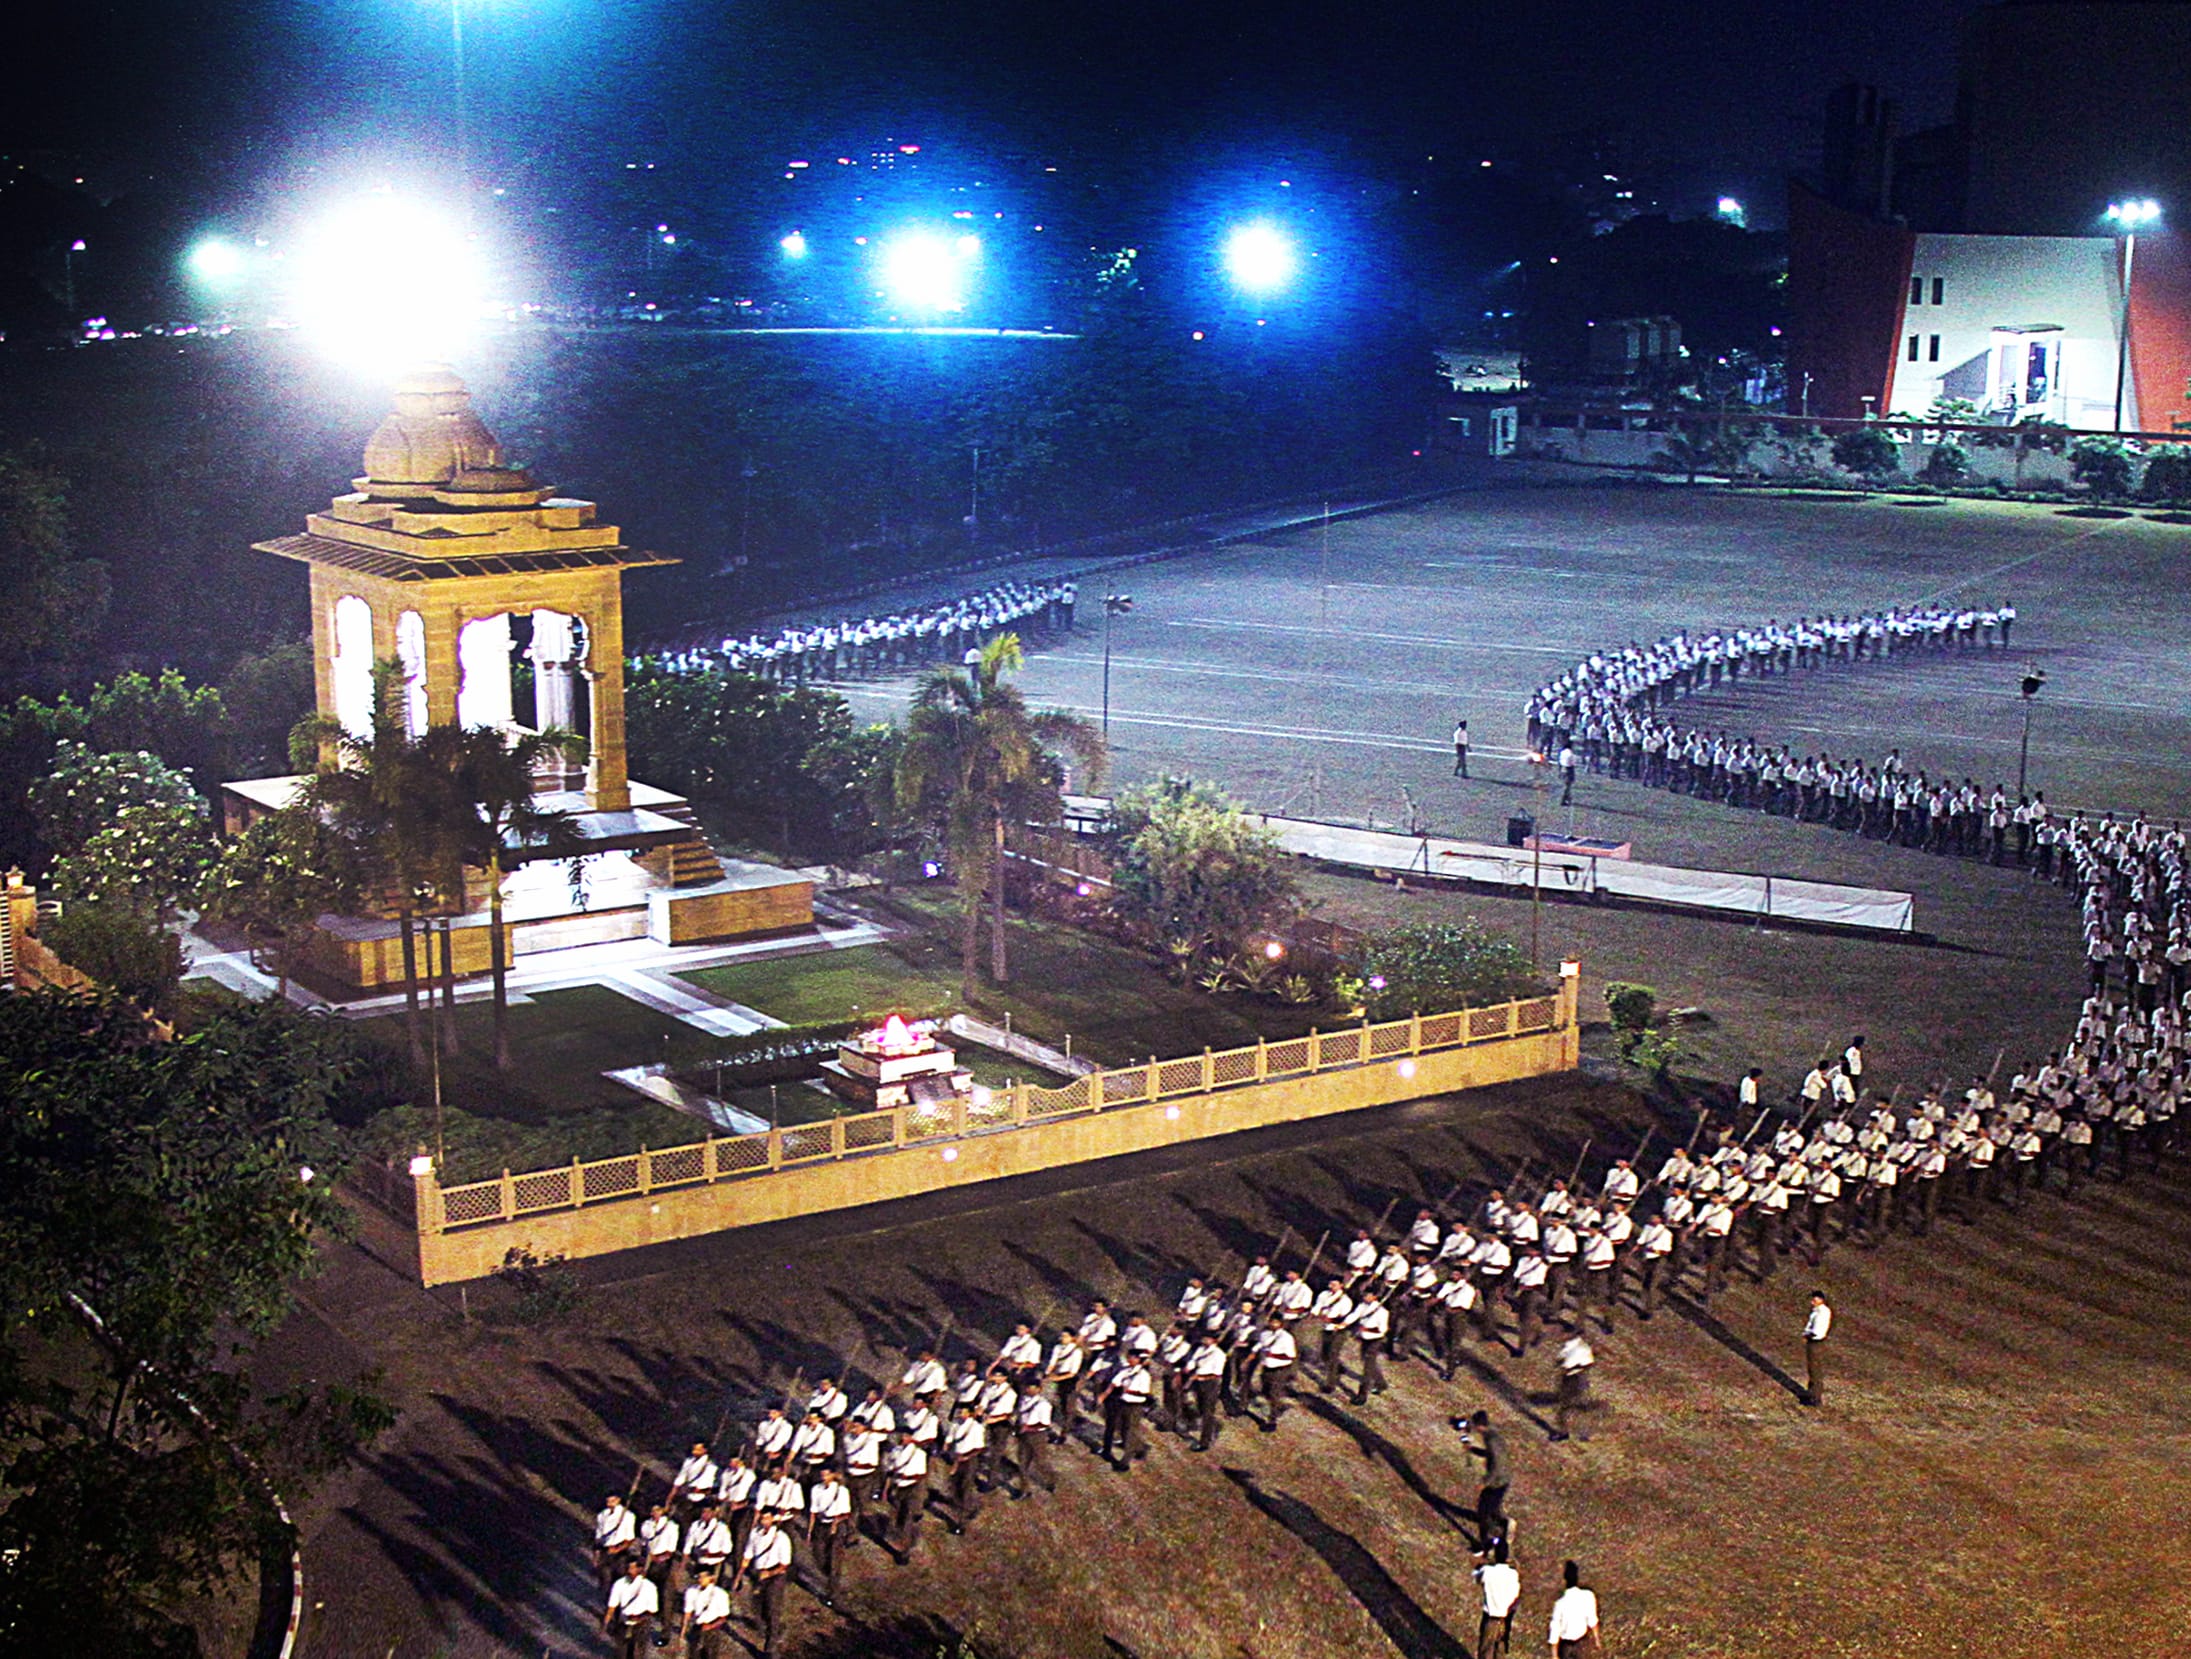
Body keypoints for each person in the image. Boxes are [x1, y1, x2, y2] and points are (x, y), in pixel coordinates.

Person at [733, 1509, 794, 1658]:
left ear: (772, 1519)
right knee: (758, 1608)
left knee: (773, 1608)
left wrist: (769, 1573)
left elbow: (784, 1565)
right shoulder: (755, 1534)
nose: (764, 1521)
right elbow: (747, 1556)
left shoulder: (781, 1538)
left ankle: (771, 1647)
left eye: (767, 1518)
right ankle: (773, 1630)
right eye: (762, 1518)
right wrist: (738, 1577)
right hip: (758, 1575)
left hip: (775, 1577)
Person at [1462, 1409, 1510, 1546]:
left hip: (1497, 1482)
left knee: (1483, 1513)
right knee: (1492, 1509)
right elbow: (1490, 1455)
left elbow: (1496, 1464)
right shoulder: (1492, 1435)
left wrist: (1485, 1482)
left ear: (1479, 1425)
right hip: (1502, 1479)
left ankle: (1486, 1543)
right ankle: (1503, 1525)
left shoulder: (1492, 1441)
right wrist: (1472, 1449)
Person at [1473, 1538, 1520, 1658]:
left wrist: (1482, 1557)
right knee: (1500, 1651)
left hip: (1490, 1617)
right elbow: (1516, 1595)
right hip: (1504, 1618)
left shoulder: (1487, 1572)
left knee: (1485, 1650)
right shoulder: (1512, 1575)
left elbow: (1476, 1576)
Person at [602, 1556, 657, 1659]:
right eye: (628, 1567)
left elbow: (652, 1611)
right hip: (623, 1622)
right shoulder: (619, 1584)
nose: (629, 1570)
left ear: (639, 1569)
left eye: (632, 1568)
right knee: (621, 1653)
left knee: (637, 1654)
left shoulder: (650, 1587)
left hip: (641, 1625)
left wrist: (639, 1618)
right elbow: (612, 1606)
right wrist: (606, 1623)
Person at [1547, 1559, 1602, 1656]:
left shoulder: (1560, 1604)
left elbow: (1555, 1630)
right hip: (1582, 1642)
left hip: (1566, 1645)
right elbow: (1592, 1620)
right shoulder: (1588, 1596)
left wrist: (1554, 1655)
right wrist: (1597, 1640)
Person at [679, 1565, 732, 1659]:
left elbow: (723, 1618)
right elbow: (687, 1612)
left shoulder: (720, 1594)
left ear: (711, 1578)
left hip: (712, 1630)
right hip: (697, 1627)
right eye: (699, 1576)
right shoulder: (691, 1591)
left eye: (704, 1576)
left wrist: (709, 1626)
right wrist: (683, 1630)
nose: (701, 1579)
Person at [1553, 1333, 1594, 1442]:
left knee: (1580, 1407)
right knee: (1564, 1407)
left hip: (1578, 1378)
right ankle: (1564, 1432)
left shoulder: (1583, 1348)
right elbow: (1560, 1360)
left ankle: (1583, 1433)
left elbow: (1588, 1363)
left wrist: (1575, 1367)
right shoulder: (1568, 1346)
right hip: (1568, 1378)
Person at [1804, 1290, 1832, 1406]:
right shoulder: (1820, 1311)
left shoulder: (1821, 1312)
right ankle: (1812, 1394)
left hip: (1815, 1342)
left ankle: (1815, 1398)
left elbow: (1817, 1330)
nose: (1812, 1302)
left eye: (1814, 1299)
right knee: (1813, 1369)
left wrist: (1807, 1335)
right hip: (1815, 1341)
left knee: (1815, 1370)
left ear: (1821, 1300)